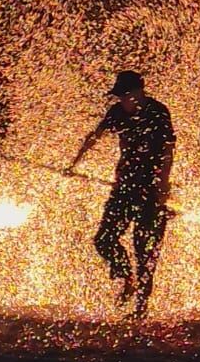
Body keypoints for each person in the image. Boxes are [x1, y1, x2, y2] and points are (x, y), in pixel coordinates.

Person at [67, 71, 176, 318]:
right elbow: (95, 136)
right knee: (104, 240)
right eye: (120, 97)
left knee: (145, 249)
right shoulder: (117, 112)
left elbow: (168, 150)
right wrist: (74, 165)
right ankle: (126, 277)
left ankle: (140, 308)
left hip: (150, 190)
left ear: (139, 92)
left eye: (126, 96)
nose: (123, 101)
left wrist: (162, 185)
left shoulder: (158, 112)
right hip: (124, 186)